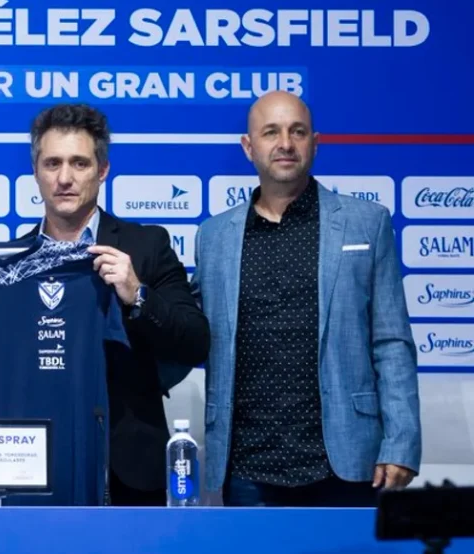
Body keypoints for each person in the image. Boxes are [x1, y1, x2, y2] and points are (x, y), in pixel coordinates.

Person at [191, 91, 421, 507]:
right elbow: (186, 329)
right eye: (270, 132)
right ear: (248, 147)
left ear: (315, 143)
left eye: (297, 132)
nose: (285, 143)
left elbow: (392, 342)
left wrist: (401, 442)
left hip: (347, 461)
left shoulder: (367, 223)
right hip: (247, 465)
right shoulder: (213, 236)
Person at [21, 103, 211, 505]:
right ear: (35, 171)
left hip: (131, 468)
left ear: (103, 169)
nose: (65, 178)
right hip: (35, 464)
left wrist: (138, 293)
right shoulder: (12, 261)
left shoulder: (147, 246)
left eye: (80, 163)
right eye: (52, 163)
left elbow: (195, 343)